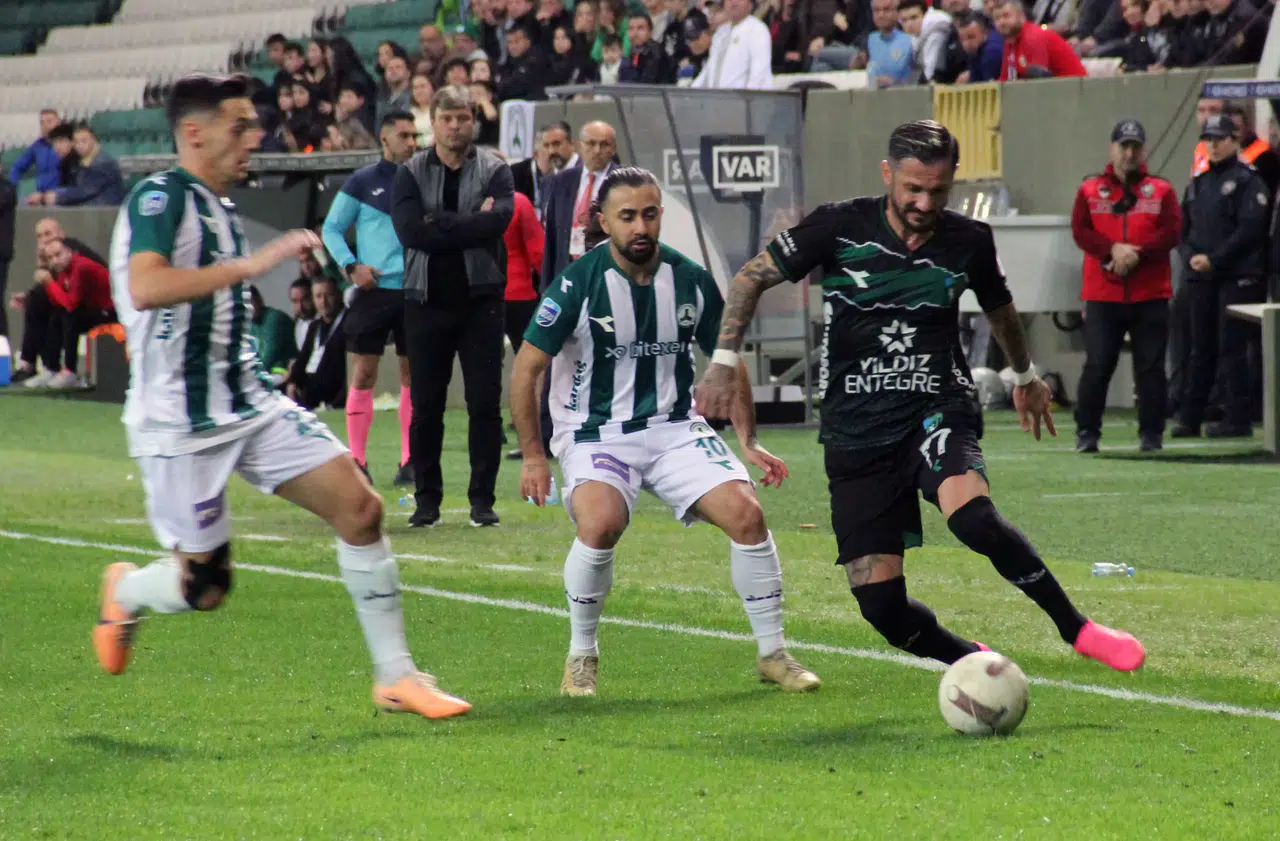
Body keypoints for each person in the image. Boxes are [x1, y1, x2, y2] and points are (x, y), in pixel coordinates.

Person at [695, 120, 1146, 674]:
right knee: (883, 609)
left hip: (937, 407)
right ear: (887, 174)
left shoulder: (969, 240)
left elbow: (1000, 307)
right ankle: (977, 665)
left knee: (974, 519)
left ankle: (1078, 629)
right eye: (912, 189)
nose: (924, 203)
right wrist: (722, 363)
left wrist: (1026, 376)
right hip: (856, 430)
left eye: (938, 190)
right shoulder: (838, 226)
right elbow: (749, 278)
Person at [94, 73, 470, 721]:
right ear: (194, 133)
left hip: (250, 401)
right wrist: (251, 266)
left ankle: (397, 676)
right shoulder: (160, 197)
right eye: (239, 127)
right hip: (180, 421)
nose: (254, 139)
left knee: (361, 508)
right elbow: (147, 287)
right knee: (205, 587)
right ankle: (126, 591)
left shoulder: (219, 205)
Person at [511, 166, 820, 697]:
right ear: (603, 220)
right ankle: (581, 655)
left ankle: (773, 654)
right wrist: (535, 456)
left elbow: (727, 359)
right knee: (602, 522)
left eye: (650, 214)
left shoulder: (689, 279)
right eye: (627, 216)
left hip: (675, 428)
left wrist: (747, 440)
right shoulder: (577, 284)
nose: (640, 227)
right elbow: (525, 370)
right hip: (596, 432)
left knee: (747, 514)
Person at [390, 85, 515, 529]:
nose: (456, 126)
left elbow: (498, 221)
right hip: (425, 301)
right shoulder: (409, 172)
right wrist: (470, 223)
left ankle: (482, 501)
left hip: (481, 302)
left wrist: (440, 221)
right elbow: (410, 233)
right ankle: (427, 501)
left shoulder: (496, 170)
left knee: (485, 404)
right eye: (447, 118)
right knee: (427, 407)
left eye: (463, 118)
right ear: (434, 123)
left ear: (473, 121)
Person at [1070, 120, 1181, 453]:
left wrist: (1138, 254)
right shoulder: (1089, 189)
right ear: (1112, 148)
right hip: (1102, 294)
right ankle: (1087, 432)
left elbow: (1172, 231)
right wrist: (1111, 251)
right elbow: (1080, 231)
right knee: (1098, 364)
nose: (1129, 153)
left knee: (1151, 368)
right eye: (1124, 146)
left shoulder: (1161, 190)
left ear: (1143, 150)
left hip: (1151, 293)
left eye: (1135, 146)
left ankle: (1152, 434)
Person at [322, 112, 419, 486]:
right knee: (364, 373)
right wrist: (351, 266)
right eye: (404, 135)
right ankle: (358, 461)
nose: (411, 143)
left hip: (415, 290)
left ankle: (410, 461)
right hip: (373, 291)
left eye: (414, 135)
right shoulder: (363, 181)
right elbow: (331, 229)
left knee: (414, 376)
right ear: (384, 138)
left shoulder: (425, 178)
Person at [1173, 114, 1270, 439]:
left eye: (1220, 139)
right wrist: (1191, 258)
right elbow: (1183, 230)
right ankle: (1190, 417)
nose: (1213, 145)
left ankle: (1238, 418)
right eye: (1209, 139)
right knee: (1199, 348)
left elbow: (1250, 230)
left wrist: (1214, 260)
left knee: (1233, 348)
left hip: (1237, 277)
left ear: (1234, 140)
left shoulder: (1248, 182)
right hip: (1202, 278)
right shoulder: (1198, 185)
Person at [286, 275, 348, 409]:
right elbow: (303, 358)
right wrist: (292, 382)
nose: (323, 302)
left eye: (328, 295)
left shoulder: (349, 323)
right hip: (309, 385)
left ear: (339, 295)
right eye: (318, 296)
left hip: (332, 391)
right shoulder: (315, 326)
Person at [993, 0, 1087, 80]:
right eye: (997, 18)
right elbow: (1005, 80)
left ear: (1021, 16)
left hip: (1075, 90)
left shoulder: (1033, 37)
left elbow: (1038, 83)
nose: (1002, 22)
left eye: (1006, 16)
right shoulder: (1010, 42)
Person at [247, 285, 296, 386]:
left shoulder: (274, 318)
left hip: (284, 370)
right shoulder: (251, 325)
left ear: (259, 299)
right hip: (269, 372)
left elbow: (270, 357)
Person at [8, 110, 63, 193]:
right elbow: (18, 167)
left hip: (61, 193)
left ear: (59, 123)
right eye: (42, 123)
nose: (45, 126)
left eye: (49, 121)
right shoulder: (37, 146)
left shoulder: (68, 145)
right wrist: (15, 185)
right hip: (39, 192)